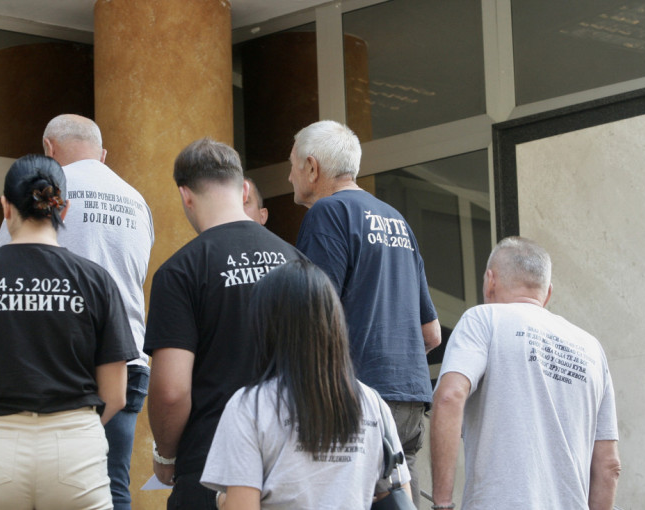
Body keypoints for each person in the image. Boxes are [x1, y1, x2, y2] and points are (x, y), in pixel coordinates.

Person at [0, 154, 139, 510]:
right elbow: (116, 395)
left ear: (5, 206)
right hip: (76, 449)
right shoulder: (96, 280)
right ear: (64, 209)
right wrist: (75, 431)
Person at [0, 114, 154, 510]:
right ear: (102, 154)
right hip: (127, 358)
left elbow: (4, 267)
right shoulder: (137, 199)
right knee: (112, 486)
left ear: (49, 148)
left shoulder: (45, 192)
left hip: (58, 359)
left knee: (42, 488)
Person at [144, 138, 305, 509]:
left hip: (213, 467)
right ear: (244, 188)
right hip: (292, 460)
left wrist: (167, 456)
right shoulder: (299, 261)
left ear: (186, 196)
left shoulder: (180, 271)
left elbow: (171, 391)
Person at [288, 119, 441, 506]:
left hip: (355, 400)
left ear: (312, 166)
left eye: (291, 165)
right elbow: (431, 333)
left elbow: (313, 318)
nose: (289, 176)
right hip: (409, 400)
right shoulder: (398, 222)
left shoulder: (327, 214)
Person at [200, 259, 411, 509]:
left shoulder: (250, 407)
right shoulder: (372, 403)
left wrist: (224, 499)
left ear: (268, 325)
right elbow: (401, 496)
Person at [430, 237, 621, 510]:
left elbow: (449, 397)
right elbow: (609, 465)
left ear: (490, 280)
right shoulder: (592, 349)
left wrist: (442, 504)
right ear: (548, 293)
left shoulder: (484, 319)